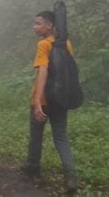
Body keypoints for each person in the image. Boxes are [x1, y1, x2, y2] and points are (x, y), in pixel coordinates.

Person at [21, 11, 78, 191]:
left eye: (38, 24)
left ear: (49, 26)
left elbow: (43, 71)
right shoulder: (66, 44)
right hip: (61, 99)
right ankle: (71, 176)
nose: (35, 27)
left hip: (45, 99)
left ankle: (32, 169)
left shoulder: (44, 45)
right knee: (61, 137)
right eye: (34, 23)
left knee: (36, 135)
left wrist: (37, 101)